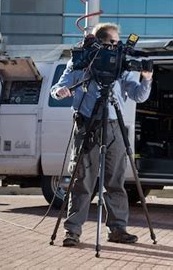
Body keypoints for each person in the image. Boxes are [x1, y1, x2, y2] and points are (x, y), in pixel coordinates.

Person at [50, 23, 153, 247]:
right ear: (101, 43)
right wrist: (60, 92)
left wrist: (147, 78)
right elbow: (58, 88)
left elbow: (138, 96)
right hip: (87, 124)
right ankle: (72, 231)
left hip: (114, 124)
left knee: (115, 181)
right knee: (83, 180)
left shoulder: (122, 65)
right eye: (114, 43)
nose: (118, 47)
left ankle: (117, 229)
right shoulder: (82, 60)